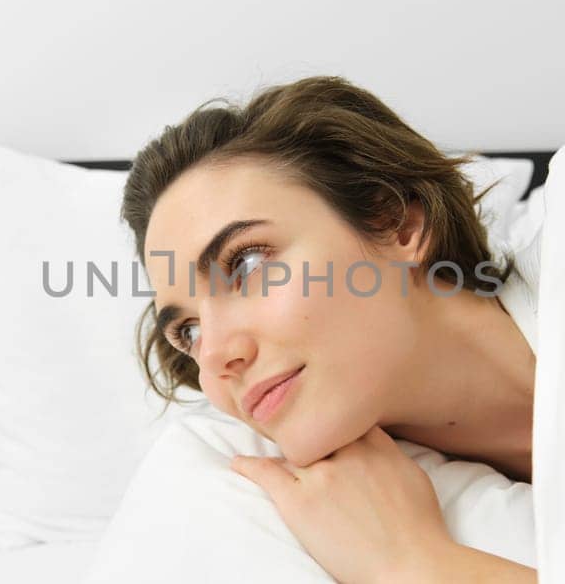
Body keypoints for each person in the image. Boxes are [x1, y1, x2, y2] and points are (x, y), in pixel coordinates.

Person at [120, 75, 541, 582]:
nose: (212, 357)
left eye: (247, 264)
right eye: (188, 331)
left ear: (400, 224)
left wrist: (416, 566)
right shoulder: (235, 484)